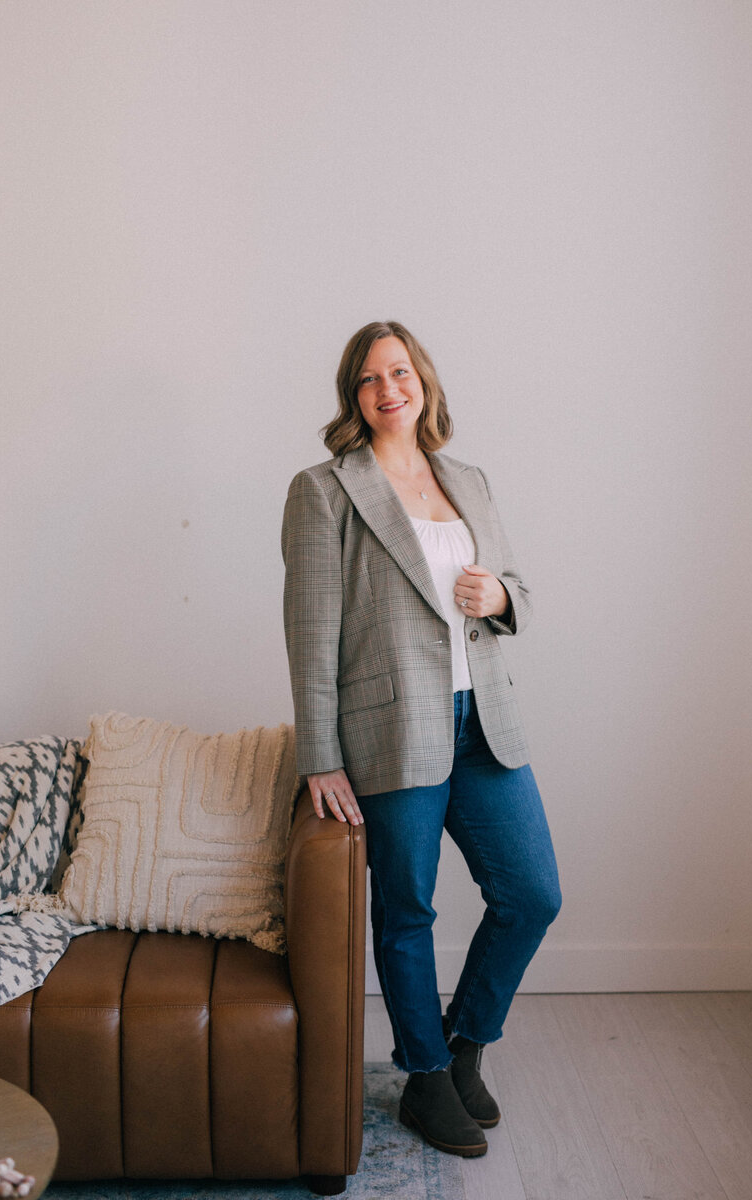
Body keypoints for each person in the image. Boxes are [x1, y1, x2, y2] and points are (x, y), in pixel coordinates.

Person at [281, 320, 561, 1159]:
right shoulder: (325, 491)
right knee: (407, 910)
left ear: (424, 381)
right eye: (370, 378)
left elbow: (518, 591)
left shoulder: (467, 479)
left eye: (400, 372)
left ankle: (462, 1048)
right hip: (392, 727)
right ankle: (426, 1079)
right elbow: (311, 633)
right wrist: (320, 755)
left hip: (485, 724)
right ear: (353, 396)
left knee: (532, 895)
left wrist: (498, 597)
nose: (388, 388)